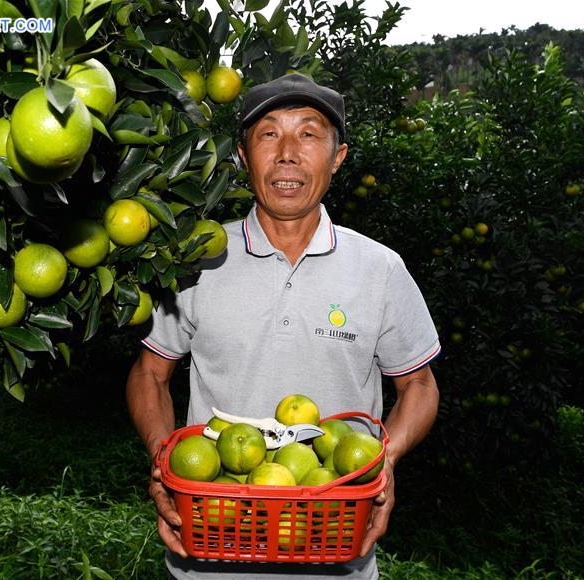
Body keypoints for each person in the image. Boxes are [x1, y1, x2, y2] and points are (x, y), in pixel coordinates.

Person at [126, 73, 441, 580]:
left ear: (338, 157)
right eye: (269, 134)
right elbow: (149, 373)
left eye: (309, 134)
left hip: (336, 550)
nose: (288, 153)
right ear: (243, 157)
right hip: (210, 553)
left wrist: (386, 459)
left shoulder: (380, 269)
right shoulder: (195, 257)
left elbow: (419, 384)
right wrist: (164, 459)